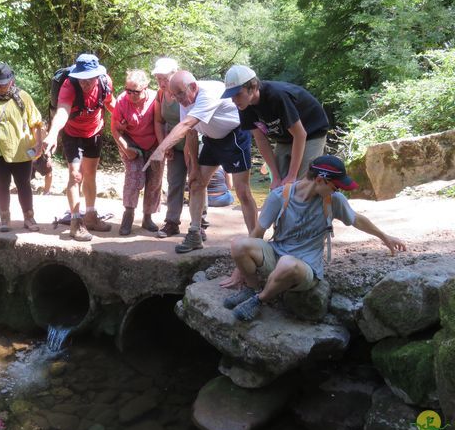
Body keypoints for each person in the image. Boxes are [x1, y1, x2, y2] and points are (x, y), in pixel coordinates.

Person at [221, 155, 407, 321]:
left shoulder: (334, 200)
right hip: (277, 256)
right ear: (320, 180)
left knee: (287, 263)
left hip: (304, 268)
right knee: (238, 244)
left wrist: (384, 237)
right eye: (336, 187)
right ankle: (251, 288)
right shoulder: (280, 196)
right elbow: (257, 233)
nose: (338, 192)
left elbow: (356, 219)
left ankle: (259, 300)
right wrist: (239, 271)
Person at [145, 71, 257, 254]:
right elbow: (191, 132)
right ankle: (195, 234)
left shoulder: (210, 93)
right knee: (196, 183)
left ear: (193, 87)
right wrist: (194, 167)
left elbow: (185, 126)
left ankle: (255, 240)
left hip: (234, 136)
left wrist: (160, 149)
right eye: (174, 95)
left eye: (180, 93)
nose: (178, 99)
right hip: (211, 139)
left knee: (242, 191)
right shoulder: (185, 98)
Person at [42, 54, 115, 242]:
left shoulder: (105, 83)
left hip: (94, 132)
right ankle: (76, 222)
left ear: (97, 76)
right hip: (72, 133)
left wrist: (123, 120)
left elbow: (110, 103)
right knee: (75, 175)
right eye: (81, 78)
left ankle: (90, 216)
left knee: (90, 173)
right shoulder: (69, 85)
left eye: (89, 79)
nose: (84, 83)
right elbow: (62, 112)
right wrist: (52, 134)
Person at [222, 65, 329, 189]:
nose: (233, 100)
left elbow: (300, 134)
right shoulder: (244, 105)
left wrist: (292, 175)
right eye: (231, 95)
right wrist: (276, 176)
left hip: (312, 131)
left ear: (253, 87)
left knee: (300, 184)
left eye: (238, 94)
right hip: (285, 137)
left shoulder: (277, 96)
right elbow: (261, 139)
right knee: (279, 185)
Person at [0, 62, 44, 232]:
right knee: (2, 183)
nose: (1, 87)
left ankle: (29, 217)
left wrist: (39, 144)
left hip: (21, 149)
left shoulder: (23, 96)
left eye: (4, 84)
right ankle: (5, 218)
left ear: (11, 81)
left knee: (23, 183)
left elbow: (36, 122)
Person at [111, 69, 163, 235]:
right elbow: (115, 130)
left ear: (145, 87)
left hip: (154, 142)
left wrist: (162, 146)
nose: (132, 95)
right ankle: (128, 215)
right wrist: (126, 149)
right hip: (131, 142)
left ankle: (147, 217)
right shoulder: (121, 101)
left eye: (136, 91)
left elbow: (161, 123)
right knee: (133, 179)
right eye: (129, 90)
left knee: (154, 180)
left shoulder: (156, 98)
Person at [151, 58, 186, 238]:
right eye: (158, 79)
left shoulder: (186, 90)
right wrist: (165, 145)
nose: (162, 83)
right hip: (173, 144)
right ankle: (172, 222)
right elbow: (159, 121)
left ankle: (199, 224)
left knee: (197, 182)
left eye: (165, 78)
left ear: (175, 74)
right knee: (174, 182)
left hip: (193, 141)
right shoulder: (160, 94)